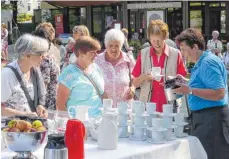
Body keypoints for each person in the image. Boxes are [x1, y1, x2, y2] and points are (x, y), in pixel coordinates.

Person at [175, 28, 229, 159]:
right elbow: (204, 84)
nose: (182, 53)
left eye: (183, 48)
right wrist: (187, 82)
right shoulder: (203, 61)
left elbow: (219, 93)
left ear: (194, 47)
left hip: (212, 120)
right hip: (207, 119)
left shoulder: (207, 62)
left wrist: (190, 90)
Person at [132, 20, 187, 112]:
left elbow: (182, 81)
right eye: (153, 40)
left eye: (159, 40)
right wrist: (144, 77)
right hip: (147, 106)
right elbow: (134, 83)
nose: (156, 44)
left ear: (165, 37)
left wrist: (170, 83)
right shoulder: (143, 54)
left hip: (170, 105)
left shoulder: (175, 54)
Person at [56, 36, 106, 117]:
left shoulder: (96, 68)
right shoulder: (68, 73)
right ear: (81, 53)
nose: (95, 55)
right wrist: (71, 124)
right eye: (92, 53)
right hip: (79, 125)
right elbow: (60, 105)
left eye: (96, 52)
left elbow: (103, 94)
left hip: (100, 123)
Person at [1, 34, 48, 117]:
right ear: (27, 55)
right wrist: (24, 114)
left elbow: (35, 98)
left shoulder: (35, 70)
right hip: (11, 127)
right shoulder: (6, 74)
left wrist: (40, 106)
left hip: (31, 127)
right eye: (41, 54)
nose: (44, 57)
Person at [95, 29, 136, 108]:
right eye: (110, 45)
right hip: (104, 109)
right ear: (106, 45)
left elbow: (135, 77)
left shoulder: (128, 59)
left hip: (125, 108)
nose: (113, 49)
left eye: (116, 46)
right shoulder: (97, 61)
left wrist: (133, 88)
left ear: (121, 46)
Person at [33, 23, 60, 110]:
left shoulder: (43, 56)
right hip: (47, 101)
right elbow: (44, 83)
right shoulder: (46, 57)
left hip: (45, 100)